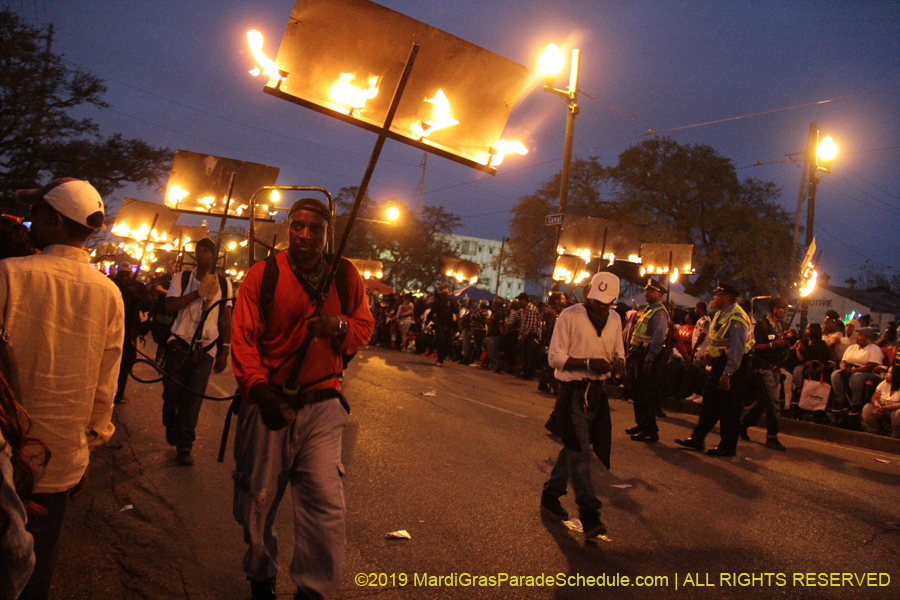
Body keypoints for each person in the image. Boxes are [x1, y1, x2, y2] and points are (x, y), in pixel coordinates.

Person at [230, 198, 374, 600]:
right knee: (257, 505)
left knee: (326, 506)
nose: (305, 235)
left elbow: (363, 326)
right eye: (297, 226)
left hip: (324, 405)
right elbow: (242, 341)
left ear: (328, 233)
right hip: (269, 403)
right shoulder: (264, 274)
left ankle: (313, 590)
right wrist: (259, 391)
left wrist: (337, 324)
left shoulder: (345, 274)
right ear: (287, 228)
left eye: (314, 228)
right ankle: (261, 574)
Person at [4, 178, 124, 600]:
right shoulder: (109, 294)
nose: (30, 219)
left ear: (54, 220)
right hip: (57, 463)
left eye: (37, 212)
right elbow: (103, 390)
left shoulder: (8, 274)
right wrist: (86, 446)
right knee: (36, 565)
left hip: (5, 456)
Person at [541, 272, 624, 540]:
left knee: (576, 446)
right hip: (574, 391)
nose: (600, 307)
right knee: (580, 453)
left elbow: (617, 353)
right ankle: (590, 515)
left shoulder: (615, 319)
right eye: (596, 300)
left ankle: (550, 494)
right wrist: (587, 363)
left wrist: (619, 364)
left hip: (597, 393)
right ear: (587, 292)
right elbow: (555, 357)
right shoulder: (570, 315)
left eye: (606, 303)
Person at [162, 237, 232, 466]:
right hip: (178, 345)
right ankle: (170, 418)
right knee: (172, 394)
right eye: (198, 251)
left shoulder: (224, 284)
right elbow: (170, 306)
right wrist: (197, 293)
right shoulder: (181, 279)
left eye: (206, 251)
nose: (201, 255)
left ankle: (185, 445)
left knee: (193, 399)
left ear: (214, 256)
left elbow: (225, 318)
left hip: (204, 349)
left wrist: (224, 350)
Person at [675, 282, 752, 457]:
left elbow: (737, 348)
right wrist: (710, 352)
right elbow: (716, 338)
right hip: (719, 363)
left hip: (732, 366)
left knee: (729, 409)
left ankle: (727, 446)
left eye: (718, 295)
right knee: (710, 403)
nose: (715, 298)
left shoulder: (737, 317)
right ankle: (697, 439)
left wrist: (728, 373)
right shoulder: (720, 314)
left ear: (726, 297)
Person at [740, 297, 794, 451]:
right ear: (774, 309)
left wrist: (786, 340)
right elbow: (756, 347)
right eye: (782, 308)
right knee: (773, 400)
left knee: (764, 401)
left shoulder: (783, 326)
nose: (785, 312)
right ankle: (772, 436)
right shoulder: (762, 325)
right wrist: (773, 344)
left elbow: (785, 346)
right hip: (763, 366)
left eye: (786, 309)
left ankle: (743, 424)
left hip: (776, 367)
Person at [625, 279, 669, 442]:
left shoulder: (659, 313)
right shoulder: (648, 310)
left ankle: (650, 430)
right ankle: (642, 424)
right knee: (638, 392)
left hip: (648, 357)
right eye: (646, 290)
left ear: (659, 294)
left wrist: (649, 359)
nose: (646, 293)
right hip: (639, 355)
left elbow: (657, 339)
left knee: (646, 394)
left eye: (650, 291)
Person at [830, 326, 883, 416]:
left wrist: (853, 371)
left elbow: (870, 366)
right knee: (835, 374)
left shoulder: (874, 349)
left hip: (867, 372)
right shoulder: (852, 348)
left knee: (856, 377)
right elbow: (843, 361)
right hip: (850, 369)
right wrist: (843, 368)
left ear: (868, 339)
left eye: (860, 335)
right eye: (857, 335)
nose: (857, 337)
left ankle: (856, 404)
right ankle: (841, 402)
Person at [861, 367, 900, 438]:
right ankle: (873, 434)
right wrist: (877, 405)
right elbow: (874, 397)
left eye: (890, 373)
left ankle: (895, 437)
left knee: (898, 413)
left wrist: (885, 408)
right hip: (883, 410)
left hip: (894, 412)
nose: (886, 375)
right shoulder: (884, 383)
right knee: (868, 408)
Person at [425, 284, 458, 367]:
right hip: (440, 324)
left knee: (447, 342)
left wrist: (452, 301)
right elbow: (432, 312)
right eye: (442, 290)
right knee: (440, 342)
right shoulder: (438, 301)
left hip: (449, 324)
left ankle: (442, 356)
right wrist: (427, 323)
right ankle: (440, 359)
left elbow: (456, 310)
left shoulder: (451, 300)